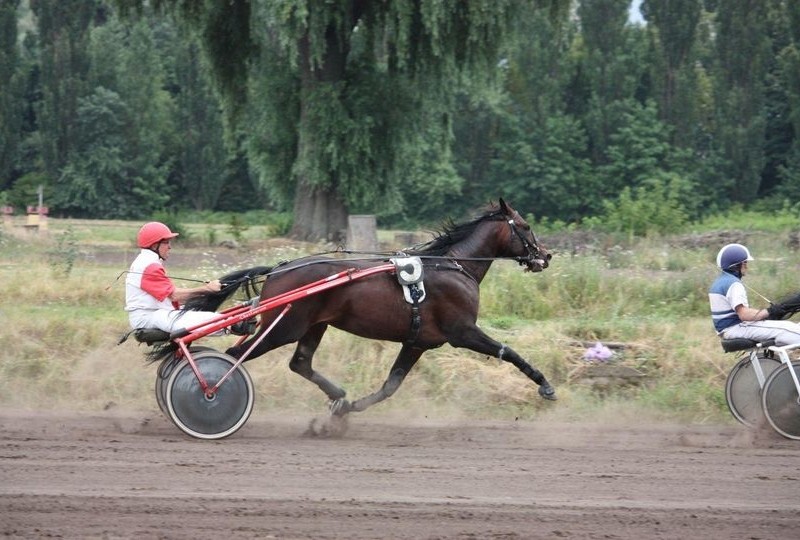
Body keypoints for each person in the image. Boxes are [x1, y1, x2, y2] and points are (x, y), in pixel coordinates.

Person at [125, 221, 226, 334]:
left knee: (207, 318)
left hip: (152, 314)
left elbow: (173, 297)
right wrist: (208, 289)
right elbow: (174, 295)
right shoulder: (149, 266)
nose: (170, 247)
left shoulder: (145, 261)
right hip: (150, 316)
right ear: (154, 245)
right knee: (221, 321)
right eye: (166, 242)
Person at [708, 243, 800, 346]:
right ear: (738, 265)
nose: (746, 266)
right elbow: (744, 315)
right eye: (745, 263)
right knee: (793, 330)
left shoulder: (720, 281)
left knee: (788, 327)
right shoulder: (733, 284)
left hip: (727, 329)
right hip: (736, 328)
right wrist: (770, 311)